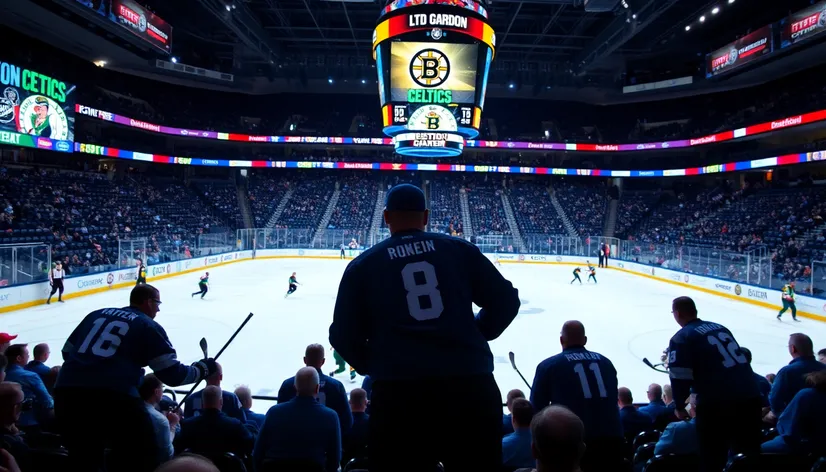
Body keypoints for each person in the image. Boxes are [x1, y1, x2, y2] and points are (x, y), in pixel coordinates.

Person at [329, 183, 520, 472]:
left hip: (399, 397)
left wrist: (379, 363)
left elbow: (341, 335)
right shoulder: (459, 250)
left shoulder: (363, 266)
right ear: (426, 217)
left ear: (386, 217)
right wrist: (479, 332)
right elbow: (506, 300)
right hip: (469, 389)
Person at [54, 284, 217, 472]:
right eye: (157, 303)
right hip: (113, 397)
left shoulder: (96, 314)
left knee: (83, 458)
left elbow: (67, 352)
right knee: (143, 453)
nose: (158, 308)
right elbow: (172, 374)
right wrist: (204, 368)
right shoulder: (147, 325)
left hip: (66, 393)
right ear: (148, 302)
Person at [667, 296, 762, 472]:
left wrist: (680, 405)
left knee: (712, 457)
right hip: (751, 397)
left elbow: (679, 376)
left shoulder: (682, 337)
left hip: (718, 403)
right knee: (748, 456)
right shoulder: (720, 327)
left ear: (677, 313)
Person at [530, 320, 623, 470]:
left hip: (572, 443)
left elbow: (536, 410)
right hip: (612, 439)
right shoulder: (606, 363)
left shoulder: (548, 366)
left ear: (561, 340)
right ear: (585, 340)